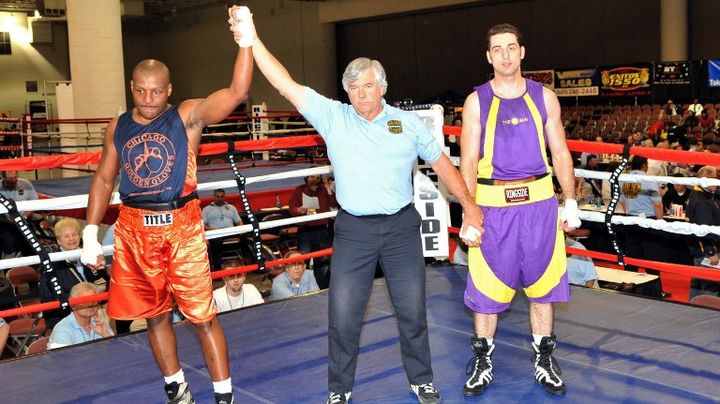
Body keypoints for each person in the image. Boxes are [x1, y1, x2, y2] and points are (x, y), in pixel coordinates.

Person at [242, 10, 484, 404]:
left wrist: (470, 207)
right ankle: (339, 390)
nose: (361, 94)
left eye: (368, 86)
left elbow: (442, 164)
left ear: (382, 86)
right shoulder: (334, 116)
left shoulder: (407, 124)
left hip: (402, 228)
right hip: (354, 231)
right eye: (353, 88)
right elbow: (285, 84)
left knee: (412, 311)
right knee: (343, 315)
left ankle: (421, 379)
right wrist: (252, 39)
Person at [79, 7, 254, 404]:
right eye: (140, 90)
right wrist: (90, 233)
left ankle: (224, 395)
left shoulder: (187, 115)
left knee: (202, 315)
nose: (148, 99)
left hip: (182, 226)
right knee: (153, 314)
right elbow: (105, 179)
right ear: (131, 86)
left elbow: (236, 94)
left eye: (156, 91)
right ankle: (176, 386)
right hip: (134, 230)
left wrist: (245, 40)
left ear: (170, 89)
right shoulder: (117, 125)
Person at [458, 23, 580, 397]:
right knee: (486, 286)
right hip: (493, 208)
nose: (506, 55)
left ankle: (544, 357)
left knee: (543, 285)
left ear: (522, 52)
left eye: (512, 47)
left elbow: (560, 152)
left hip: (541, 204)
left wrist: (571, 199)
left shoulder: (545, 97)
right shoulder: (477, 101)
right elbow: (467, 159)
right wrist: (468, 211)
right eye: (498, 49)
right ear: (489, 56)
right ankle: (482, 358)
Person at [40, 219, 109, 330]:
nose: (71, 239)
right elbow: (51, 297)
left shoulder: (90, 255)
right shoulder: (52, 264)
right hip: (70, 315)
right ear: (58, 241)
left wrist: (100, 291)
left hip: (99, 307)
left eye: (74, 234)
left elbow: (106, 280)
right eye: (66, 236)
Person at [288, 174, 337, 288]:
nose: (314, 179)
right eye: (312, 177)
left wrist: (328, 188)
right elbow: (291, 209)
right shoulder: (299, 190)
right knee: (303, 262)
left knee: (323, 262)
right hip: (306, 232)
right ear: (306, 178)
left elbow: (334, 203)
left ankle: (321, 289)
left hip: (322, 230)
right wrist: (299, 210)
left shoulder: (324, 190)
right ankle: (301, 289)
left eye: (317, 177)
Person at [685, 166, 720, 299]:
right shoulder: (702, 202)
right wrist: (711, 252)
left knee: (698, 281)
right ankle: (707, 315)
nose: (716, 182)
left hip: (700, 249)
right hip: (707, 250)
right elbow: (703, 231)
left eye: (716, 178)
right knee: (710, 286)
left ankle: (692, 310)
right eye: (712, 179)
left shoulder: (700, 194)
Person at [47, 282, 114, 350]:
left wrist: (106, 335)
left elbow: (115, 351)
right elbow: (64, 359)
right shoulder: (62, 328)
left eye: (93, 299)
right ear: (72, 305)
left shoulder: (100, 322)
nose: (90, 304)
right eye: (85, 300)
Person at [202, 189, 243, 271]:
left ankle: (253, 264)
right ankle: (217, 269)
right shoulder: (206, 209)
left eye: (221, 197)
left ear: (224, 197)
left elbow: (239, 221)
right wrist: (211, 230)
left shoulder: (231, 207)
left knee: (248, 237)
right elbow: (202, 224)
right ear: (214, 197)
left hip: (231, 232)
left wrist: (242, 229)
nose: (220, 198)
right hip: (216, 233)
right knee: (214, 243)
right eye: (217, 197)